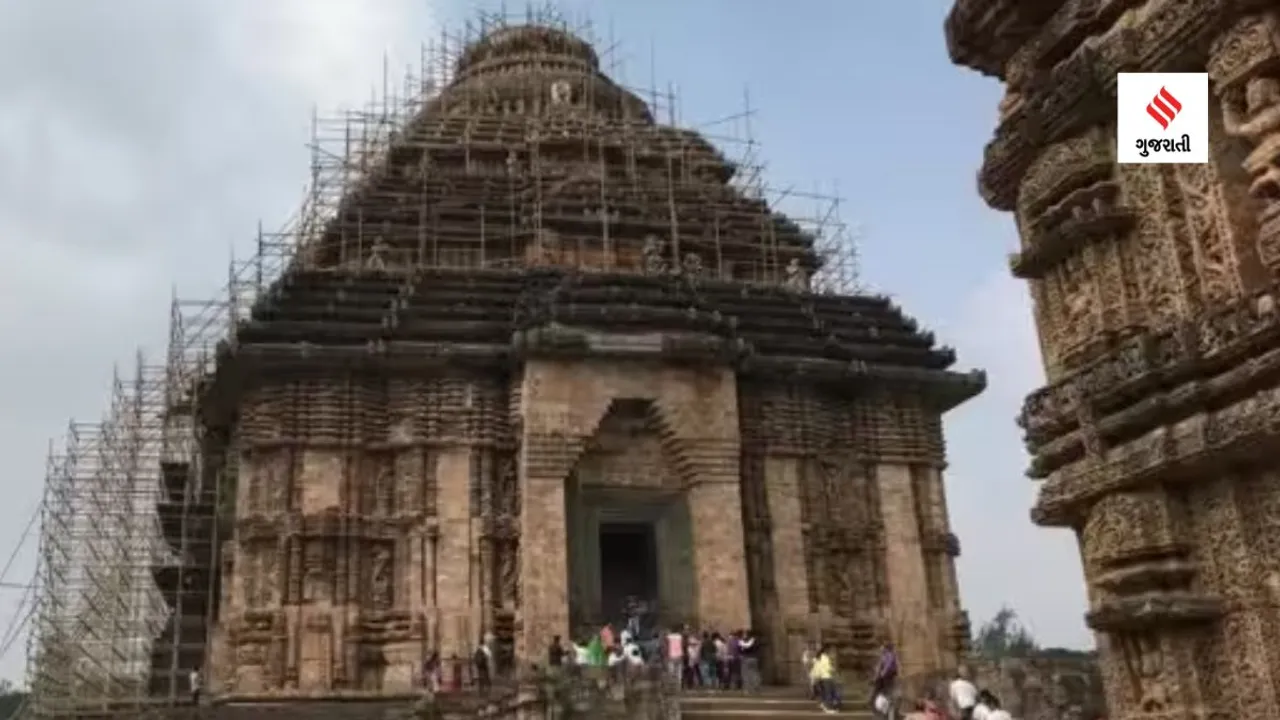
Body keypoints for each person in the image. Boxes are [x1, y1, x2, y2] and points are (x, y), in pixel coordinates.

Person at [809, 645, 841, 714]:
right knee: (829, 693)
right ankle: (828, 707)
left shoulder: (819, 658)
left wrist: (815, 678)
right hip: (826, 677)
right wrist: (833, 669)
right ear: (827, 650)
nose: (833, 652)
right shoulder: (824, 658)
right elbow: (826, 668)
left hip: (823, 677)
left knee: (827, 692)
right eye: (832, 651)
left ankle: (826, 705)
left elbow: (817, 669)